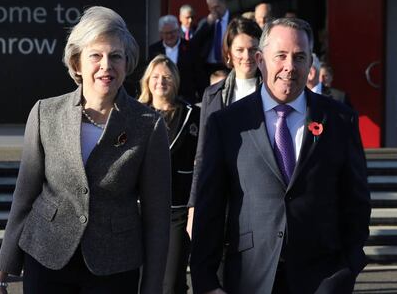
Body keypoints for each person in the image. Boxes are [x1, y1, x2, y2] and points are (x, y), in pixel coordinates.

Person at [0, 6, 171, 294]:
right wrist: (0, 276)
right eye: (95, 56)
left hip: (114, 267)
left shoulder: (148, 126)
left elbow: (157, 218)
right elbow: (24, 196)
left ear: (127, 63)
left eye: (116, 56)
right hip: (47, 259)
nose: (106, 66)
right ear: (77, 63)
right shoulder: (45, 113)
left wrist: (152, 287)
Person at [190, 18, 370, 294]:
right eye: (281, 56)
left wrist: (347, 268)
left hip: (323, 279)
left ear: (311, 63)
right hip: (249, 278)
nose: (290, 67)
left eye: (299, 57)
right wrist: (207, 283)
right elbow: (209, 209)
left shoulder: (339, 119)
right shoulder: (227, 124)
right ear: (261, 60)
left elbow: (356, 203)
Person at [187, 17, 262, 237]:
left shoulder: (272, 93)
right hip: (220, 194)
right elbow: (202, 154)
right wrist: (193, 207)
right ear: (228, 52)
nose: (246, 56)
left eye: (252, 49)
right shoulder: (212, 94)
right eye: (239, 49)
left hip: (260, 197)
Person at [139, 54, 200, 294]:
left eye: (166, 77)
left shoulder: (191, 114)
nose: (160, 82)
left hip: (177, 209)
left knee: (172, 282)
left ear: (174, 80)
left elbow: (200, 159)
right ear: (147, 81)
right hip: (141, 208)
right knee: (141, 278)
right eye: (155, 77)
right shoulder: (136, 112)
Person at [149, 15, 199, 103]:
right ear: (161, 33)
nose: (169, 36)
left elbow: (199, 73)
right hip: (162, 99)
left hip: (186, 98)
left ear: (178, 30)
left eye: (172, 32)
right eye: (166, 33)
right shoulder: (153, 50)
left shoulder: (191, 47)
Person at [192, 0, 231, 94]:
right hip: (208, 67)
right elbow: (194, 43)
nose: (214, 11)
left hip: (228, 64)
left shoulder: (234, 20)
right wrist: (207, 24)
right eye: (211, 8)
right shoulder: (206, 22)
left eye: (216, 7)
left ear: (224, 3)